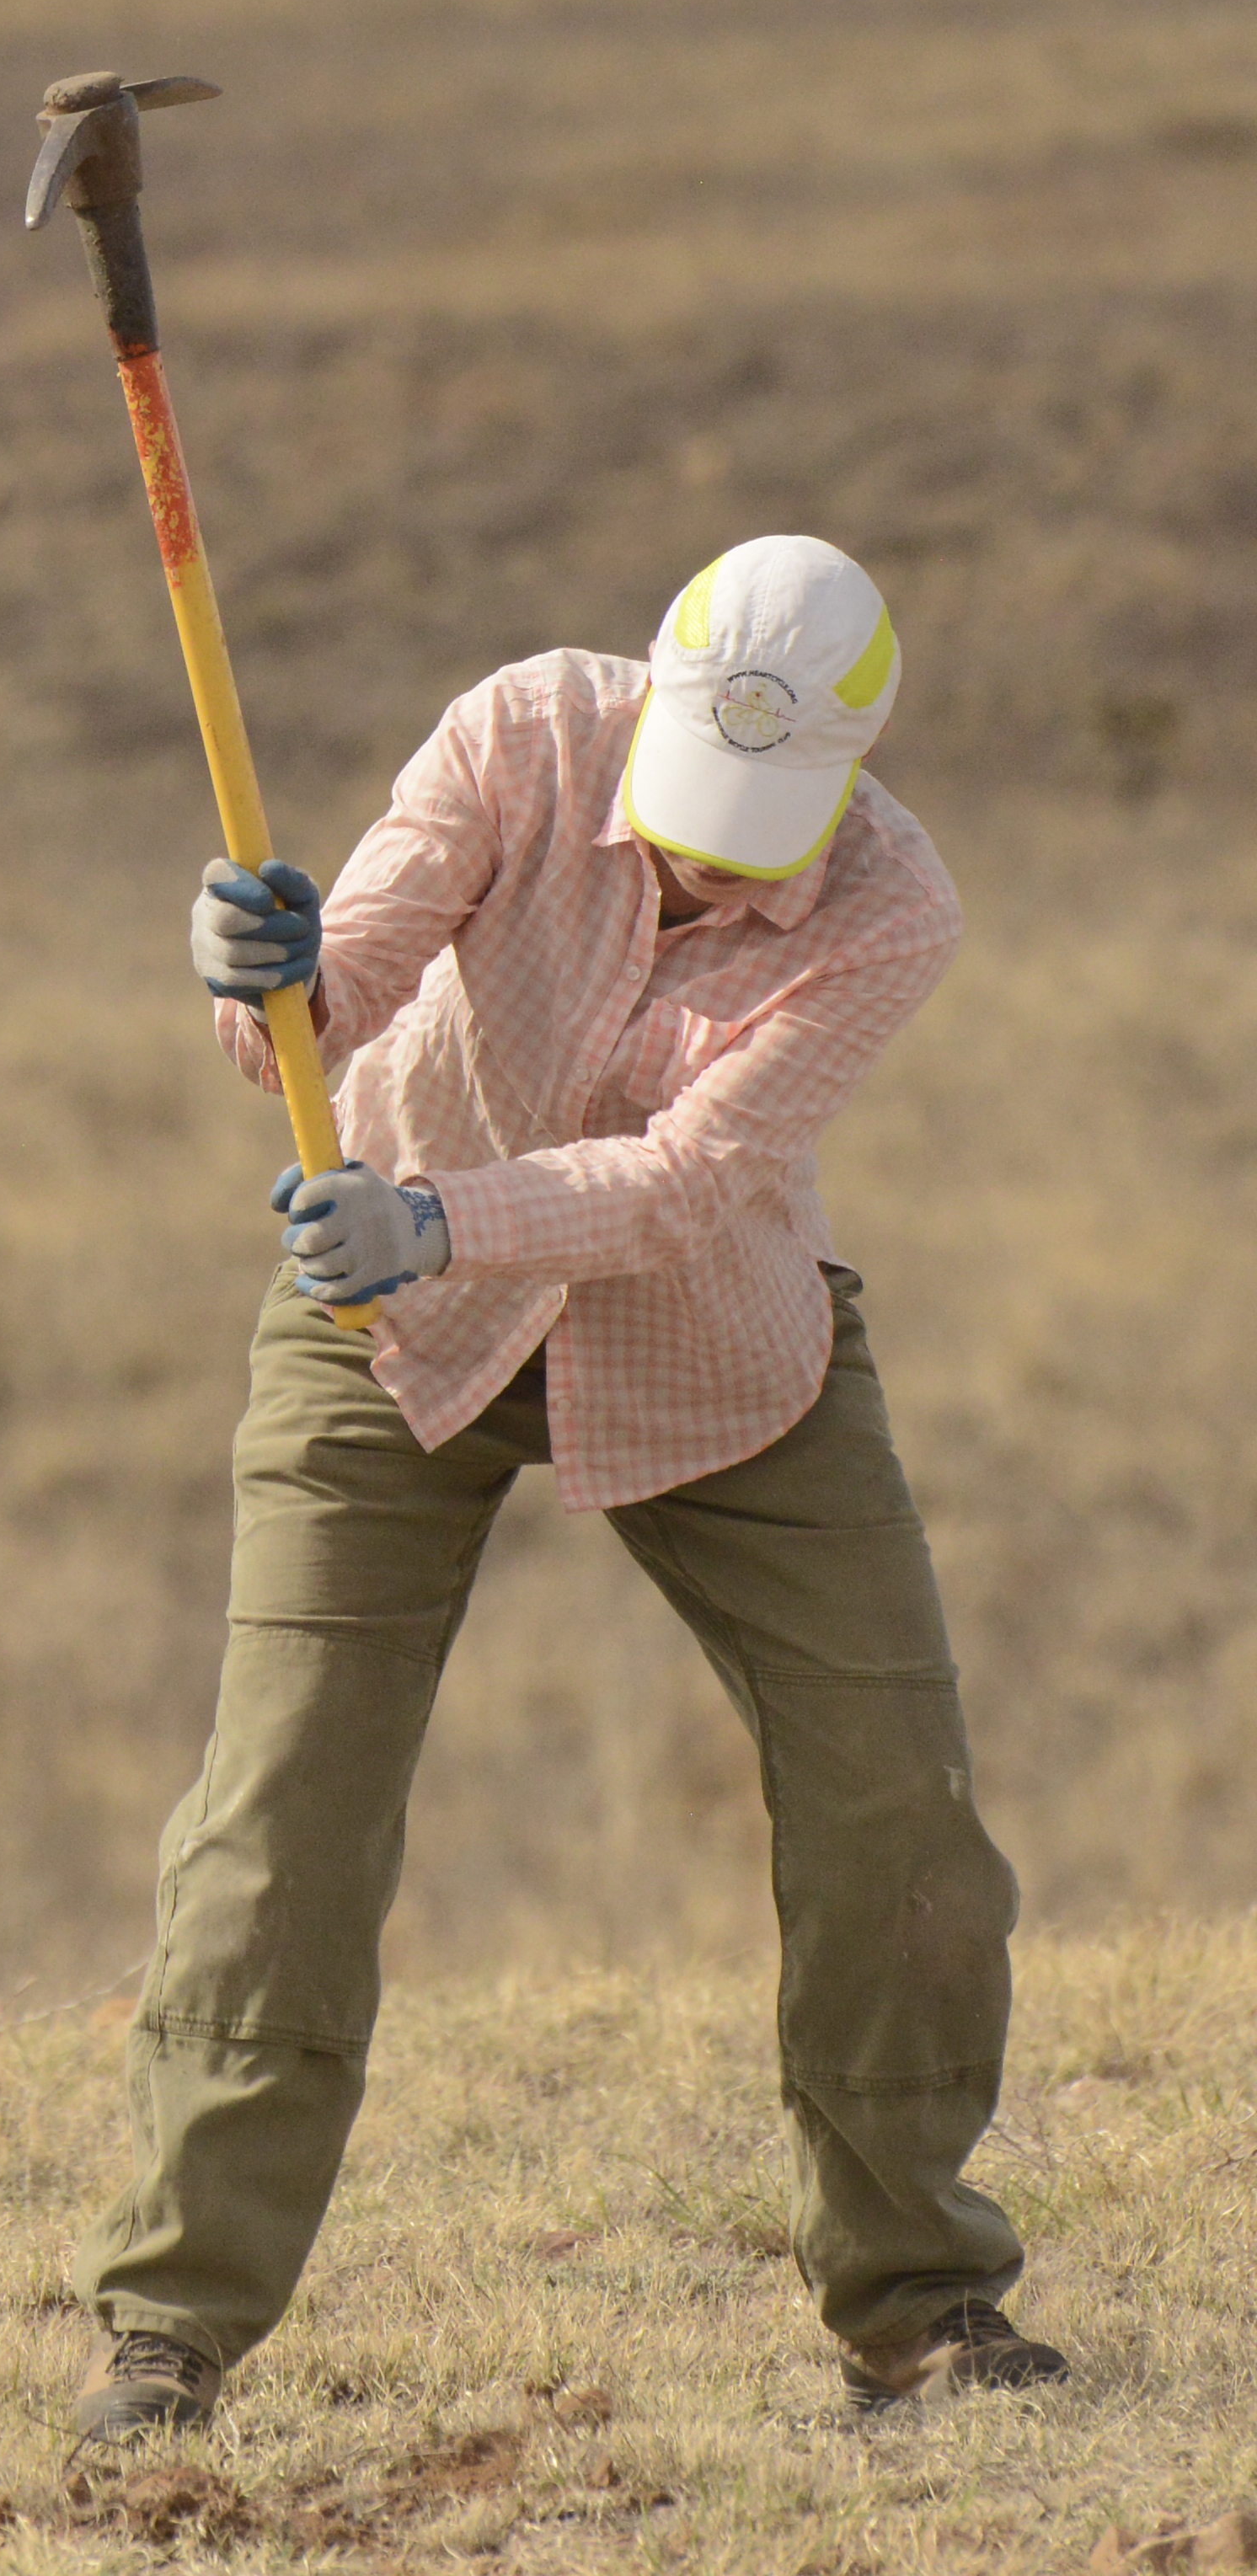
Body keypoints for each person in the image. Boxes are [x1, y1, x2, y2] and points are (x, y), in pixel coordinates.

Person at [70, 536, 1061, 2434]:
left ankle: (920, 2304)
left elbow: (688, 1179)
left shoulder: (892, 907)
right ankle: (168, 2328)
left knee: (899, 1814)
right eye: (690, 807)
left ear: (851, 774)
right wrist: (260, 969)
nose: (708, 860)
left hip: (715, 1350)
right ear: (649, 712)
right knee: (279, 1809)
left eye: (759, 830)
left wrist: (433, 1213)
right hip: (383, 1328)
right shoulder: (522, 728)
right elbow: (328, 985)